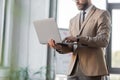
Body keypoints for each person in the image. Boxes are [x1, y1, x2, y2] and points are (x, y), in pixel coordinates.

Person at [48, 0, 111, 80]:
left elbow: (103, 40)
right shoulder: (72, 20)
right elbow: (72, 47)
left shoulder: (102, 14)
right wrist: (58, 47)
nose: (76, 2)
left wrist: (78, 39)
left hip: (93, 70)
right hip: (73, 71)